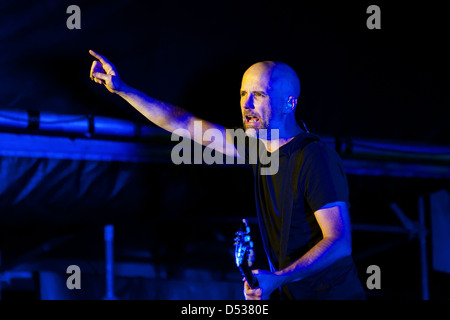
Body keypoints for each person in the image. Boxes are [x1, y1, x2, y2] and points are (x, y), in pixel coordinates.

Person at [89, 50, 366, 300]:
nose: (247, 105)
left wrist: (279, 278)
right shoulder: (258, 148)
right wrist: (122, 90)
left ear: (288, 103)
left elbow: (339, 242)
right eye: (243, 94)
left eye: (259, 95)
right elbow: (182, 123)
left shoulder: (314, 156)